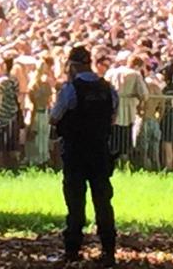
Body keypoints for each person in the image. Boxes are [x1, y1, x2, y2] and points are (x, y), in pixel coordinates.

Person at [50, 46, 117, 267]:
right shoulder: (108, 89)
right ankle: (108, 248)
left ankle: (72, 249)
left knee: (75, 201)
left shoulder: (71, 89)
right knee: (103, 201)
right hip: (100, 152)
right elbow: (112, 118)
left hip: (76, 152)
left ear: (72, 65)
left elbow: (54, 117)